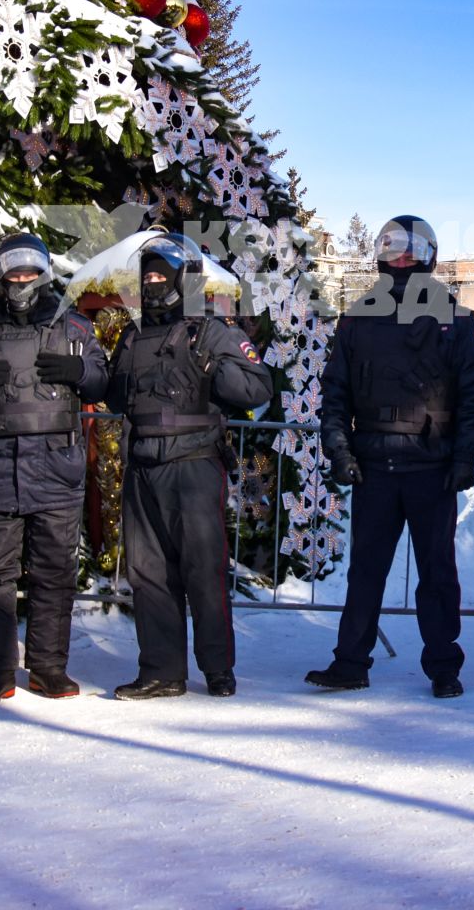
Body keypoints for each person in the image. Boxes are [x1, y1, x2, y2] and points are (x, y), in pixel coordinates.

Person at [308, 215, 474, 697]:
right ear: (380, 256)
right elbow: (335, 395)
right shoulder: (357, 319)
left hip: (432, 468)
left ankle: (444, 667)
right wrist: (340, 451)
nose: (403, 260)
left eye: (412, 253)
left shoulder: (456, 319)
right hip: (373, 466)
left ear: (430, 257)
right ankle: (350, 662)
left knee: (437, 573)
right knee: (365, 573)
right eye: (394, 251)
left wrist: (464, 459)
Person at [0, 232, 109, 708]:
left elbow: (105, 379)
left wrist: (79, 374)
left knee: (54, 572)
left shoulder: (74, 328)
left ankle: (49, 668)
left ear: (44, 273)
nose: (21, 281)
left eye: (29, 271)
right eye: (13, 272)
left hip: (56, 468)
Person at [105, 236, 272, 698]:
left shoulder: (211, 330)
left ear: (185, 278)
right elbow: (116, 394)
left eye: (163, 272)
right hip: (143, 467)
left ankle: (218, 668)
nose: (154, 281)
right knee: (148, 572)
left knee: (203, 570)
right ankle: (162, 671)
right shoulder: (133, 333)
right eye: (148, 274)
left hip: (194, 466)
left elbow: (258, 389)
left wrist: (216, 370)